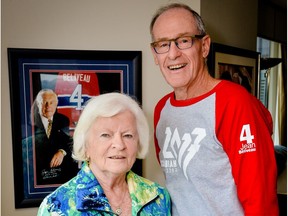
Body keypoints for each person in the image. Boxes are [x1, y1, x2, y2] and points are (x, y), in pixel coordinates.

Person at [150, 3, 278, 215]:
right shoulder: (162, 110)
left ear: (205, 46)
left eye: (183, 41)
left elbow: (261, 202)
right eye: (163, 44)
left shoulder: (234, 103)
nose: (173, 54)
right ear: (155, 54)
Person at [37, 92, 171, 215]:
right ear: (86, 145)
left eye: (128, 135)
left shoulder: (158, 197)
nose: (119, 145)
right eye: (106, 135)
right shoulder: (55, 208)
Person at [33, 89, 78, 185]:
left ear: (56, 104)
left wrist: (62, 151)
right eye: (44, 102)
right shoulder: (31, 122)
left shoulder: (63, 120)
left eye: (51, 102)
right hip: (38, 173)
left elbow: (68, 141)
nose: (48, 106)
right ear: (38, 104)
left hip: (59, 173)